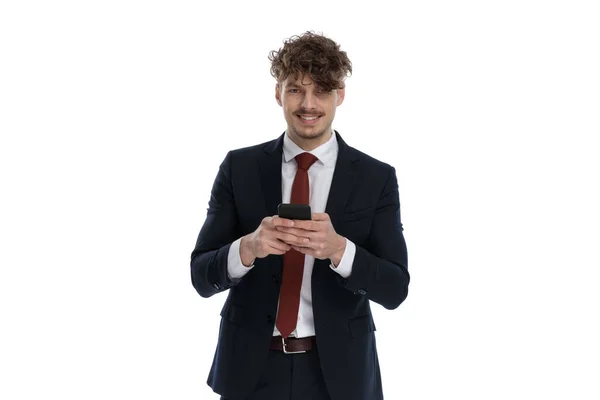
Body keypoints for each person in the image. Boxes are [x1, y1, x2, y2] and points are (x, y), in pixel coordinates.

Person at [190, 31, 409, 400]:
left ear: (340, 95)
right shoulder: (238, 167)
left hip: (339, 375)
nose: (308, 104)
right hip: (249, 372)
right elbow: (200, 275)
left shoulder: (376, 177)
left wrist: (340, 250)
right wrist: (248, 247)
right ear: (278, 93)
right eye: (296, 89)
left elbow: (395, 288)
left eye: (321, 90)